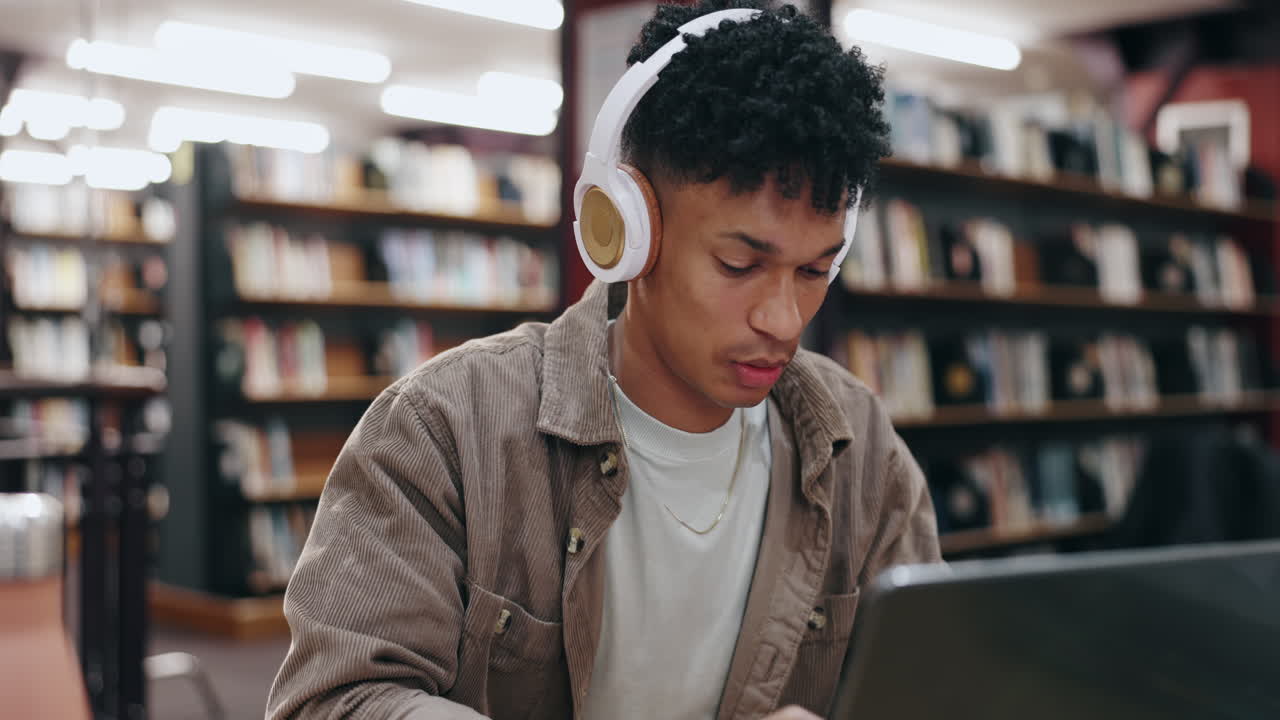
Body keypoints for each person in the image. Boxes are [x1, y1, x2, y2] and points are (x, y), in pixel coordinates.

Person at [266, 1, 940, 718]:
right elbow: (332, 701)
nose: (782, 320)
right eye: (740, 263)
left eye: (814, 273)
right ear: (627, 230)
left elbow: (935, 686)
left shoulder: (860, 449)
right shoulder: (446, 428)